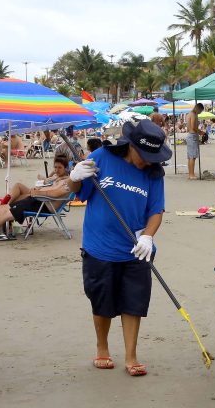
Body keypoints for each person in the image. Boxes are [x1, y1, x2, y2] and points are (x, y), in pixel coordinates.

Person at [66, 119, 170, 377]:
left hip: (135, 248)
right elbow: (79, 193)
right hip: (99, 247)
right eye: (143, 155)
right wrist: (74, 178)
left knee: (134, 302)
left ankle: (131, 355)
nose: (147, 161)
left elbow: (156, 210)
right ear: (130, 145)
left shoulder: (153, 172)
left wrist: (148, 237)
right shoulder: (101, 157)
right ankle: (102, 348)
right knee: (101, 301)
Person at [0, 157, 71, 240]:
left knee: (5, 215)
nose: (56, 170)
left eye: (59, 167)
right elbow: (52, 191)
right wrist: (38, 191)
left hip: (44, 205)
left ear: (66, 168)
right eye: (55, 167)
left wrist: (38, 191)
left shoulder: (67, 182)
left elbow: (56, 194)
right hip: (38, 201)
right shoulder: (59, 179)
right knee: (2, 209)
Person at [186, 103, 205, 180]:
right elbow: (193, 126)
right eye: (201, 110)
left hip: (190, 135)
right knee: (192, 156)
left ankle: (191, 173)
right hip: (193, 135)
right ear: (199, 108)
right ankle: (191, 174)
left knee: (190, 156)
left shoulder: (189, 114)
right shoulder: (193, 114)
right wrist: (200, 132)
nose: (200, 112)